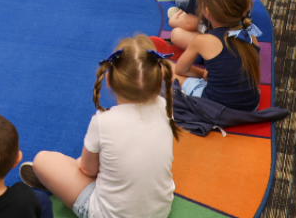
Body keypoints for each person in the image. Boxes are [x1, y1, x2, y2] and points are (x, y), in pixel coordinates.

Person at [19, 36, 178, 218]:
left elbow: (88, 170)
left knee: (43, 161)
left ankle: (58, 181)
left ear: (108, 79)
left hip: (107, 213)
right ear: (159, 79)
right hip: (160, 211)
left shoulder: (103, 121)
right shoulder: (166, 107)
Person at [166, 0, 262, 111]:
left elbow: (181, 70)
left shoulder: (203, 40)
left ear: (206, 12)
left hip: (216, 107)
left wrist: (203, 74)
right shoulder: (251, 33)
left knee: (165, 67)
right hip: (251, 105)